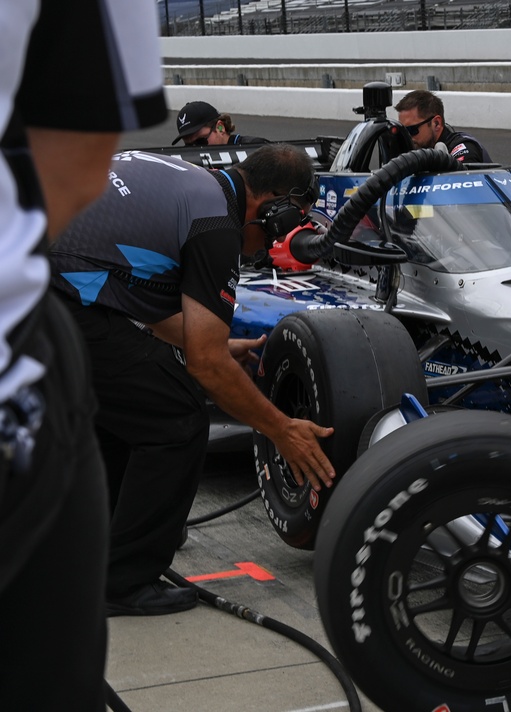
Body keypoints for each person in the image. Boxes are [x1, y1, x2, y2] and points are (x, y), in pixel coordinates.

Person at [49, 143, 336, 617]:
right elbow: (204, 367)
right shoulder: (216, 226)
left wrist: (215, 348)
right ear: (274, 207)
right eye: (285, 227)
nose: (271, 246)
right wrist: (282, 429)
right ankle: (121, 582)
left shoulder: (192, 183)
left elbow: (147, 307)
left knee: (127, 411)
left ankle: (101, 546)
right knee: (176, 418)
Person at [0, 0, 166, 709]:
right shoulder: (205, 210)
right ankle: (132, 575)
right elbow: (75, 164)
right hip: (19, 374)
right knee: (176, 416)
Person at [394, 89, 492, 164]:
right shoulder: (410, 153)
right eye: (403, 131)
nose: (407, 137)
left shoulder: (463, 147)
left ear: (436, 123)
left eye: (412, 130)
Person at [172, 100, 269, 146]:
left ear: (220, 128)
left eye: (201, 141)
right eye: (188, 145)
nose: (195, 148)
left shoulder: (255, 148)